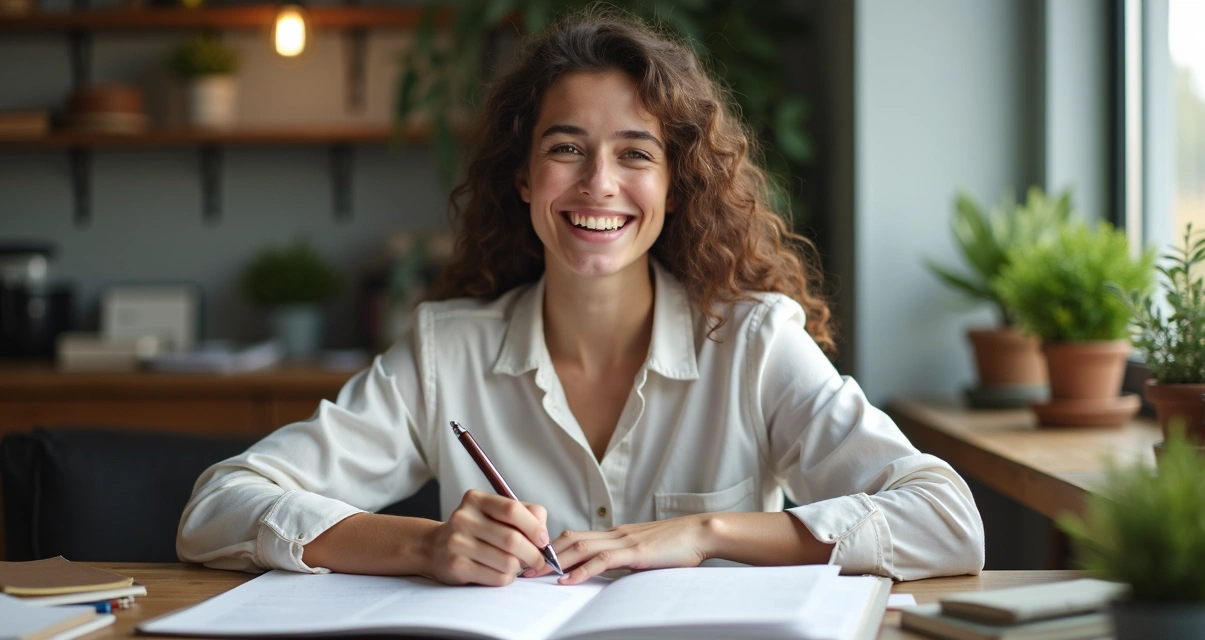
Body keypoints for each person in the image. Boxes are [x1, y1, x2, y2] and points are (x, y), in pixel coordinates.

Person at [178, 10, 984, 586]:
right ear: (526, 178)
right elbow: (219, 506)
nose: (599, 185)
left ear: (676, 186)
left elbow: (947, 520)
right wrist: (423, 547)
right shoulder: (445, 351)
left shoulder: (755, 344)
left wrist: (705, 534)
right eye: (567, 149)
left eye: (636, 154)